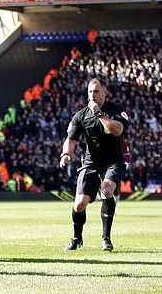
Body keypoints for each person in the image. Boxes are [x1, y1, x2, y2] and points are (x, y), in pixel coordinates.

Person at [59, 78, 128, 251]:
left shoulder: (116, 109)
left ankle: (106, 238)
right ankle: (77, 238)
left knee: (106, 190)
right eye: (90, 91)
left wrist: (99, 114)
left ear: (105, 92)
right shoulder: (81, 115)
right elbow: (71, 139)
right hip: (90, 163)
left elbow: (117, 130)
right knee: (80, 203)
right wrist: (66, 153)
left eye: (96, 91)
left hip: (113, 161)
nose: (92, 95)